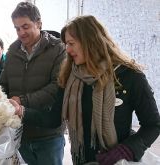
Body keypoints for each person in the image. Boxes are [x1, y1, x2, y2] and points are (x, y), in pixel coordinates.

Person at [59, 15, 160, 165]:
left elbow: (153, 124)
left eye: (71, 43)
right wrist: (22, 110)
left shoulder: (130, 76)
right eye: (66, 44)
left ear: (90, 42)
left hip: (118, 161)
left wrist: (127, 149)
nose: (67, 49)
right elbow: (54, 114)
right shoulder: (71, 76)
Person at [0, 2, 66, 165]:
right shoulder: (12, 51)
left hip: (48, 134)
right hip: (20, 133)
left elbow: (56, 86)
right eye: (17, 28)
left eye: (25, 26)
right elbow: (3, 83)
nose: (21, 32)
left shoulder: (58, 49)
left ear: (39, 23)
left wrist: (22, 101)